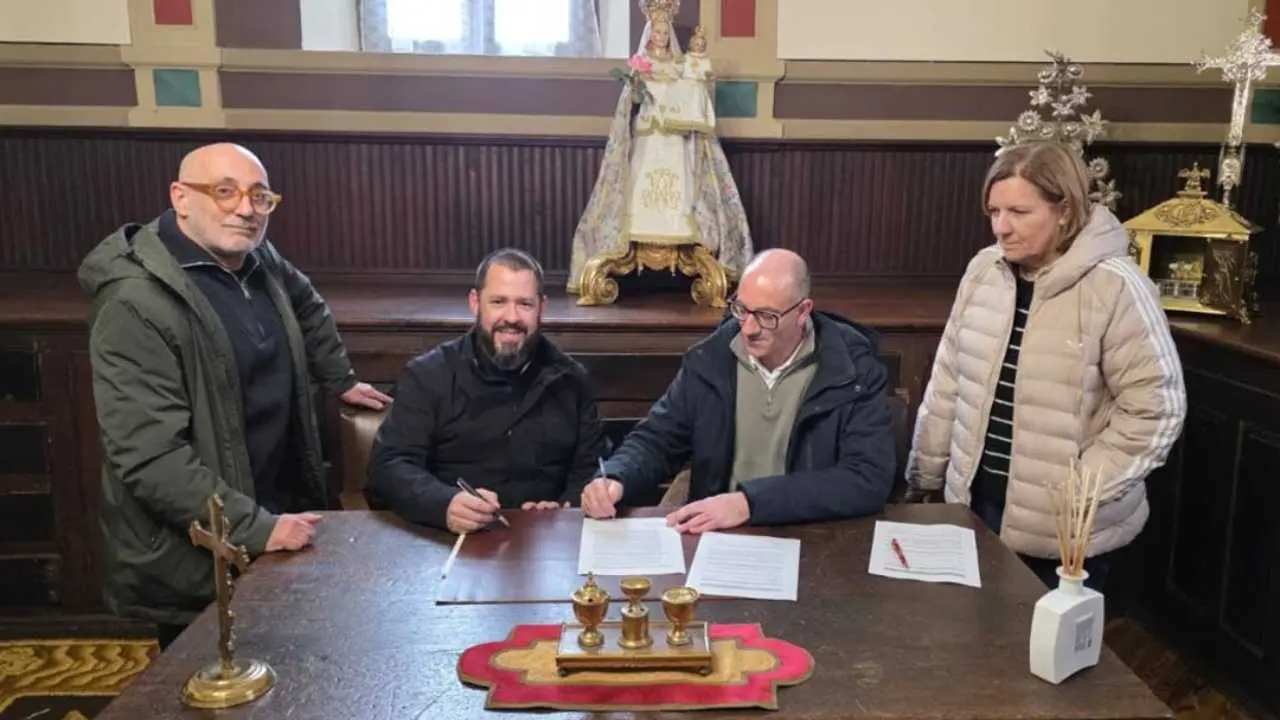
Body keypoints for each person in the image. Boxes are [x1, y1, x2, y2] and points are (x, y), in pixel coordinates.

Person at [79, 142, 391, 651]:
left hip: (278, 519)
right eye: (223, 192)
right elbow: (150, 456)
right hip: (201, 549)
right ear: (180, 198)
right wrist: (256, 528)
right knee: (207, 687)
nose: (245, 209)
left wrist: (337, 375)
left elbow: (308, 305)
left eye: (259, 196)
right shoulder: (133, 303)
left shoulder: (256, 257)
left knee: (291, 673)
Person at [904, 140, 1187, 592]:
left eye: (1019, 212)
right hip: (974, 508)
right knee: (965, 650)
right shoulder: (983, 272)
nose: (1002, 227)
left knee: (1046, 659)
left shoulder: (1115, 287)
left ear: (1065, 211)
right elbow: (949, 382)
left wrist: (1080, 494)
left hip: (1063, 533)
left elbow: (1157, 409)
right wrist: (927, 476)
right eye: (994, 212)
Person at [580, 249, 896, 531]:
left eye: (766, 316)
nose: (749, 328)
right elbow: (658, 439)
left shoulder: (853, 369)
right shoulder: (711, 359)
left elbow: (866, 478)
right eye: (742, 309)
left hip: (814, 536)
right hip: (721, 536)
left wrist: (749, 502)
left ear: (803, 311)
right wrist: (616, 477)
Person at [368, 249, 606, 534]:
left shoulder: (571, 379)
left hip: (546, 543)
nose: (512, 317)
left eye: (525, 304)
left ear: (541, 308)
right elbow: (388, 467)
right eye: (498, 302)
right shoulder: (428, 375)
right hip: (447, 540)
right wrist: (444, 504)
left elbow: (591, 468)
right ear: (475, 303)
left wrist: (566, 507)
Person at [566, 0, 753, 294]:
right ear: (649, 32)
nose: (662, 36)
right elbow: (629, 104)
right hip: (648, 139)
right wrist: (637, 91)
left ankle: (685, 240)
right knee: (639, 186)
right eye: (657, 31)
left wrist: (695, 72)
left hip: (675, 142)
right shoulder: (639, 66)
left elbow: (694, 92)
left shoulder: (681, 66)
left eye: (665, 31)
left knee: (683, 190)